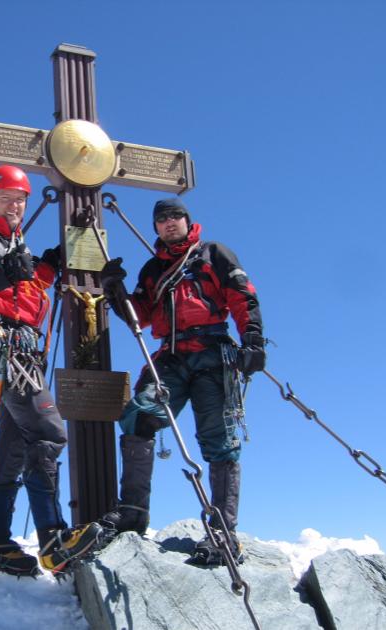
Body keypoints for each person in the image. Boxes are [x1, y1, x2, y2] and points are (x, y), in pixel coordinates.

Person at [0, 164, 102, 577]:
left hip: (21, 347)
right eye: (7, 198)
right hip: (4, 344)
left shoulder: (13, 243)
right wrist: (1, 272)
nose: (14, 206)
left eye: (20, 200)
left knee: (14, 444)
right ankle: (52, 539)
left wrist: (46, 267)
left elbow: (25, 290)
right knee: (49, 432)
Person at [98, 197, 265, 565]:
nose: (169, 222)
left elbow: (241, 296)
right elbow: (140, 316)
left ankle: (222, 531)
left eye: (176, 216)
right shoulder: (152, 270)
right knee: (140, 415)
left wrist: (252, 338)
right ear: (156, 227)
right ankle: (133, 512)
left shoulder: (213, 254)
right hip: (171, 356)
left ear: (188, 221)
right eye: (162, 219)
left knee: (219, 440)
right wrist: (115, 291)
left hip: (212, 353)